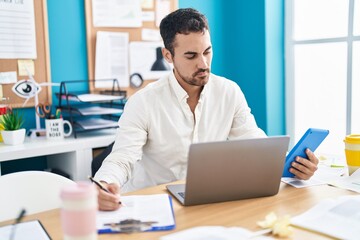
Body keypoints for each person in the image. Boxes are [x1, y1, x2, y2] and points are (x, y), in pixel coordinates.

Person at [94, 8, 319, 211]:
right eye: (191, 56)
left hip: (207, 202)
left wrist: (294, 166)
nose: (203, 64)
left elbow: (257, 146)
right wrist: (104, 184)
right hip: (157, 204)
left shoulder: (229, 92)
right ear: (168, 56)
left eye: (207, 52)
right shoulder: (143, 102)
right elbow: (122, 158)